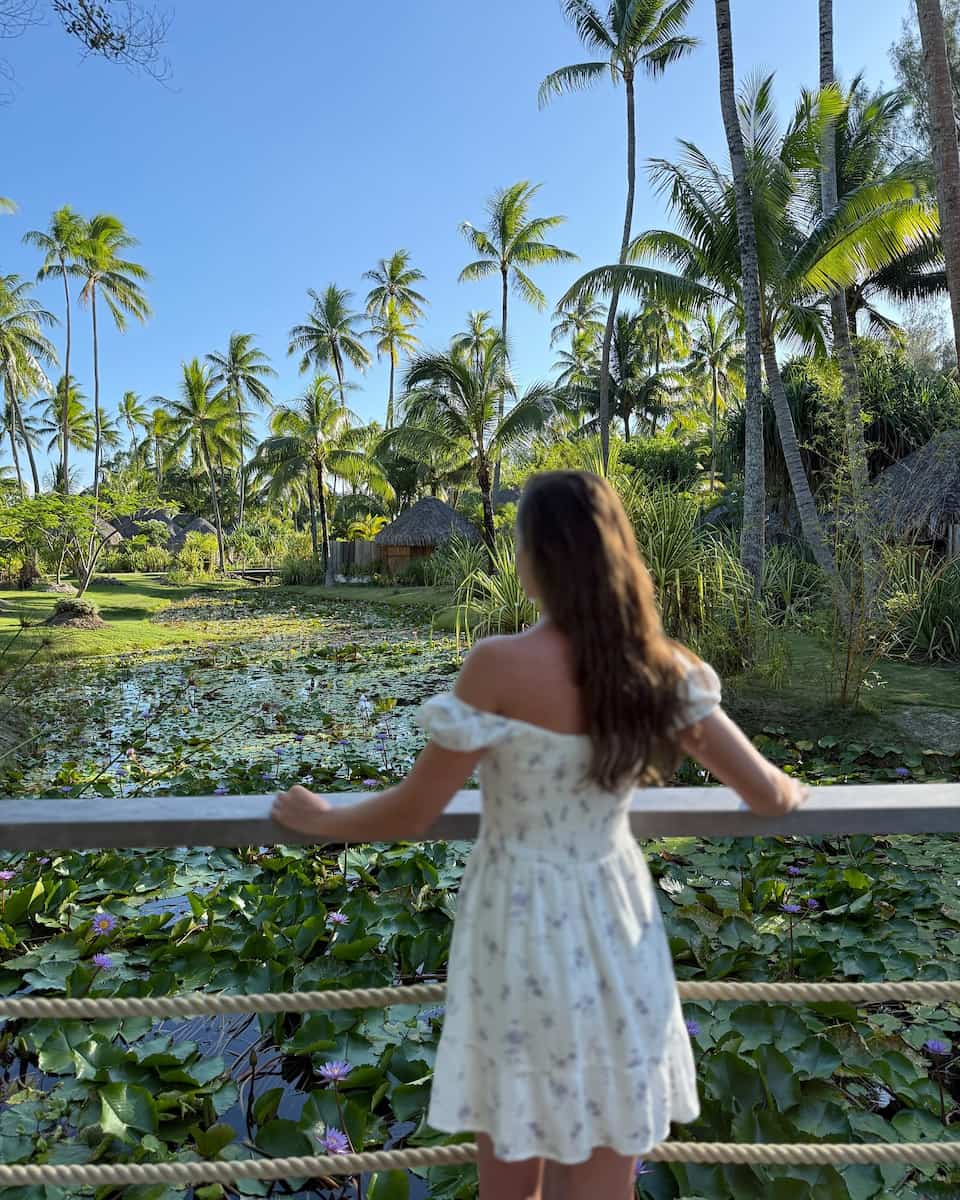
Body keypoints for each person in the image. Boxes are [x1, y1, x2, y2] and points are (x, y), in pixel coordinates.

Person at [272, 470, 806, 1200]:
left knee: (512, 1159)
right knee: (601, 1167)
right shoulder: (658, 669)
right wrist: (795, 790)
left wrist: (325, 819)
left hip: (515, 923)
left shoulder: (496, 667)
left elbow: (414, 811)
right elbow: (766, 793)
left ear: (536, 558)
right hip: (612, 919)